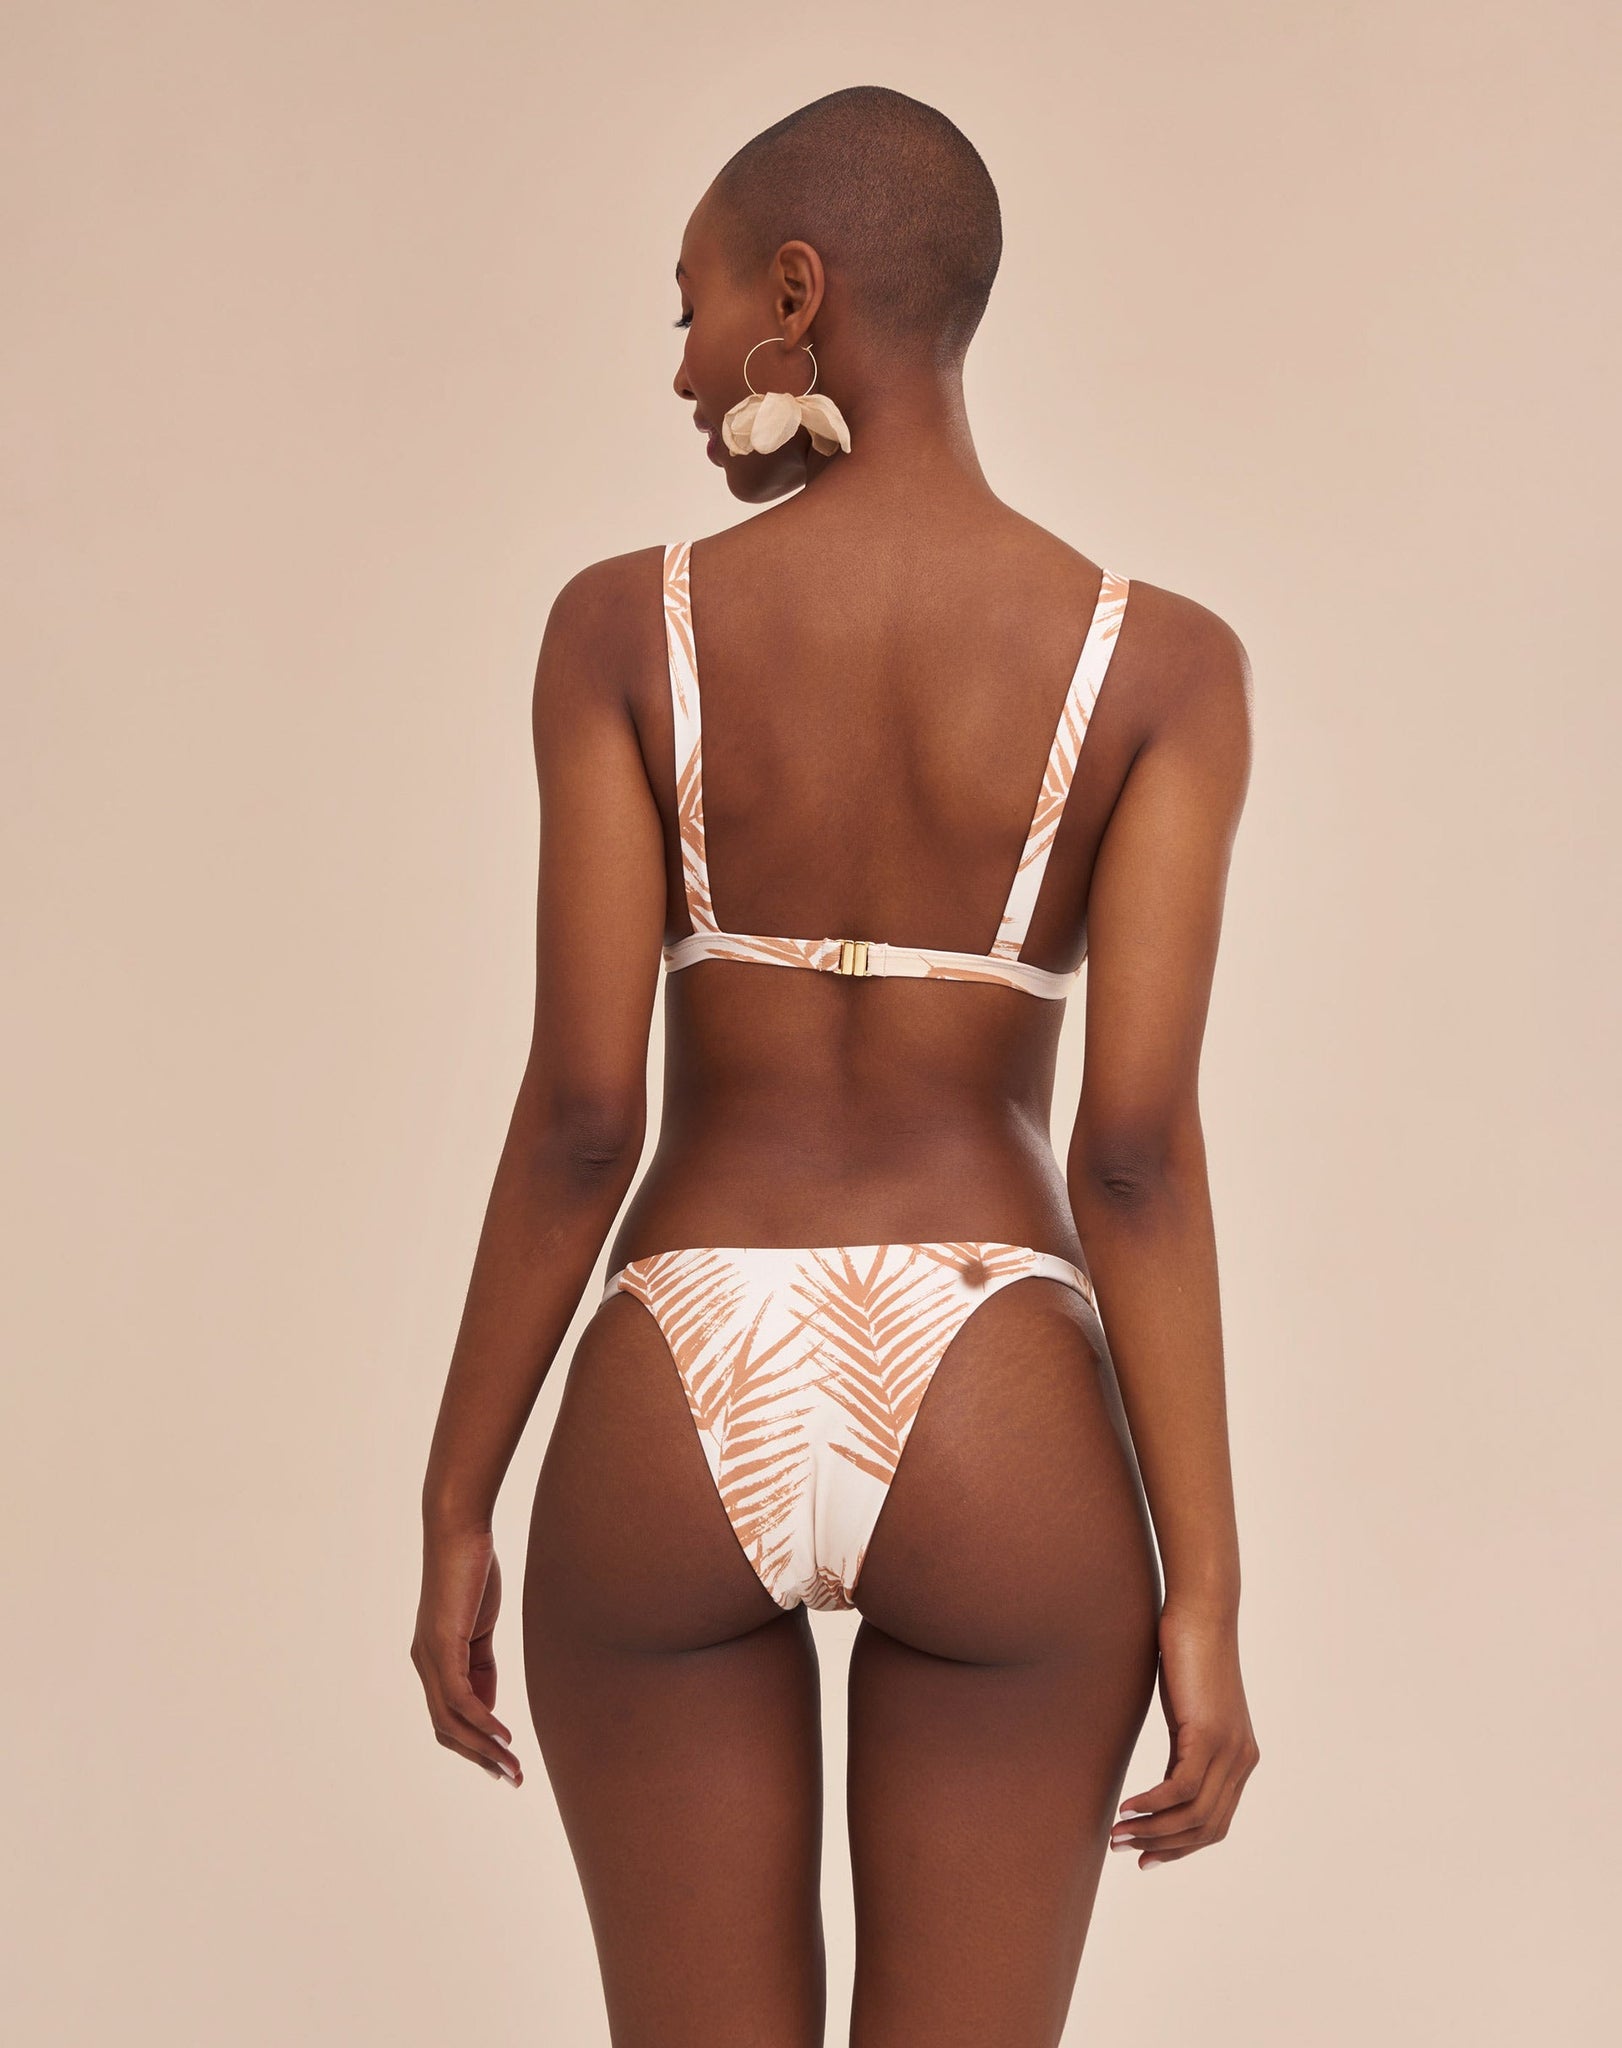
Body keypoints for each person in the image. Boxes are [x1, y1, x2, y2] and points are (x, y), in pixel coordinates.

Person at [412, 84, 1259, 2048]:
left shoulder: (625, 631)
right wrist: (1203, 1596)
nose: (679, 366)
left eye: (691, 305)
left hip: (676, 1367)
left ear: (795, 296)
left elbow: (581, 1123)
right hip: (995, 1387)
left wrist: (458, 1498)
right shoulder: (1158, 667)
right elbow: (1132, 1158)